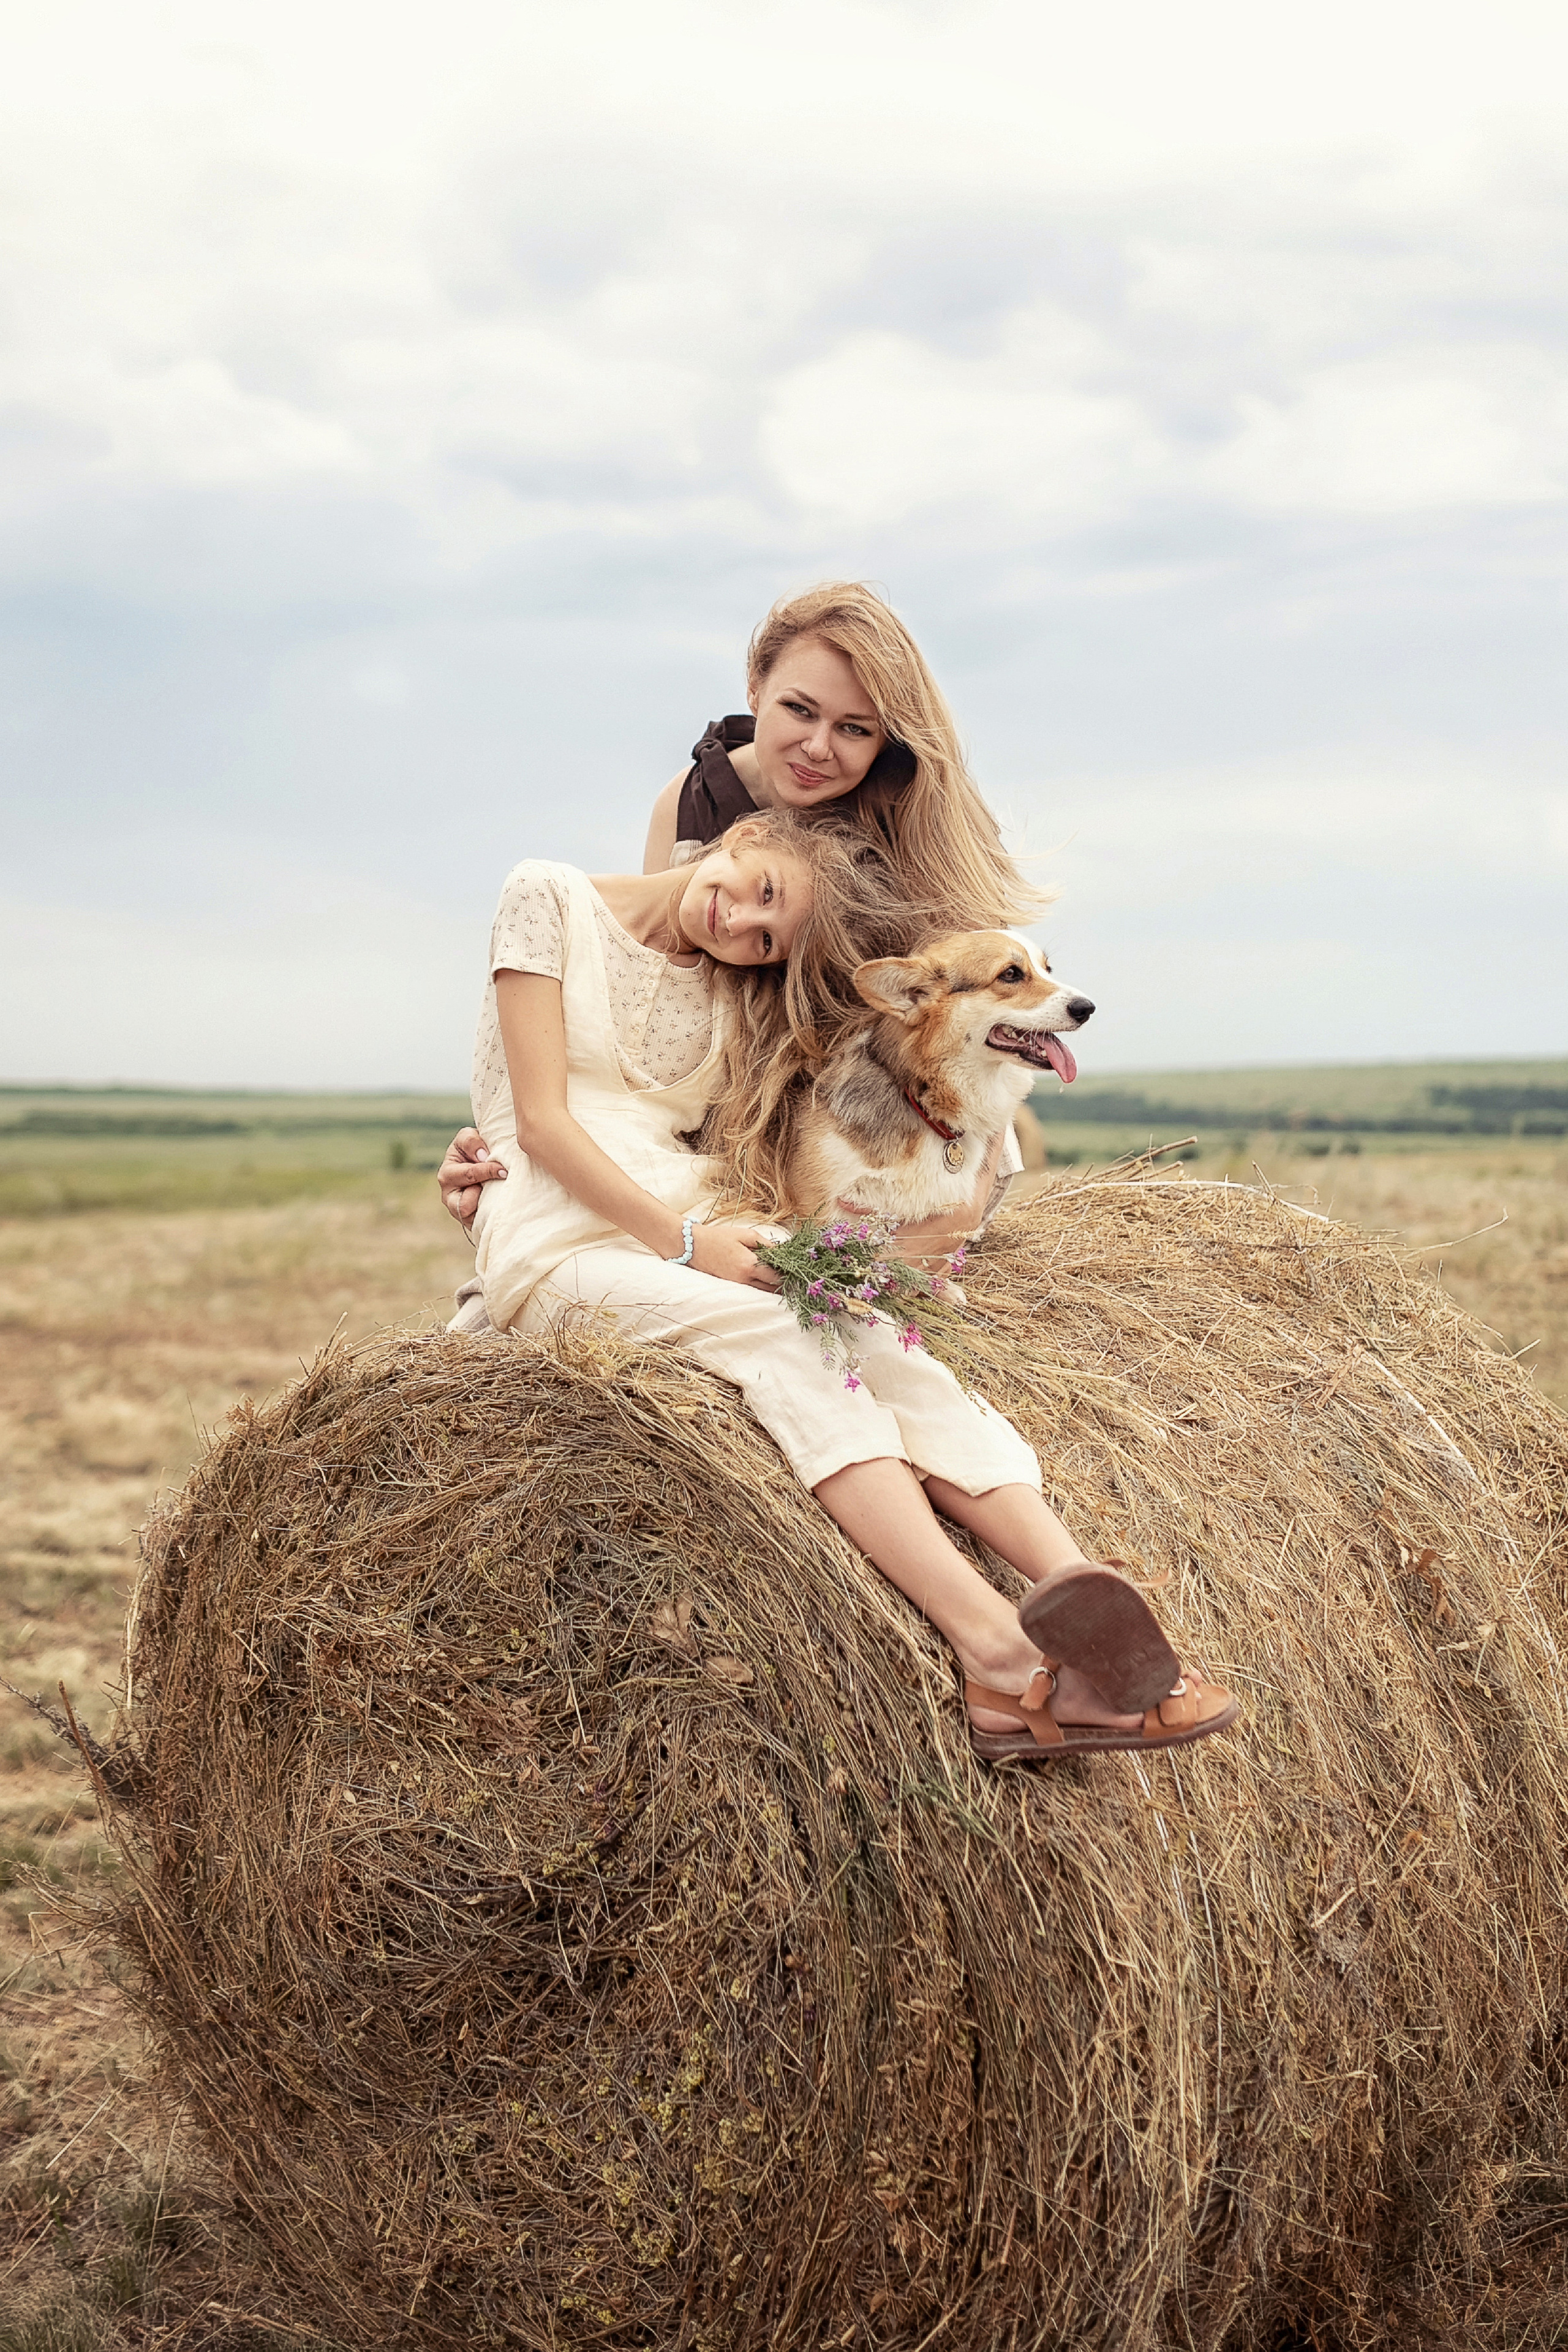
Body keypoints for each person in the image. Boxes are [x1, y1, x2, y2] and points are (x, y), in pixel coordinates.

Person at [460, 805, 1236, 1763]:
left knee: (879, 1341)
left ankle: (1093, 1604)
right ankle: (999, 1658)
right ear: (743, 838)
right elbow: (539, 1123)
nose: (741, 925)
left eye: (767, 938)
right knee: (790, 1343)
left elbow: (910, 1068)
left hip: (700, 1211)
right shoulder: (547, 895)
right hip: (565, 1235)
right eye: (761, 893)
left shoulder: (730, 985)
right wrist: (685, 1244)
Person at [439, 579, 1042, 1234]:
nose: (818, 747)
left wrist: (957, 1214)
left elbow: (979, 1031)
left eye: (854, 729)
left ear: (885, 739)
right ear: (755, 689)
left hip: (898, 1143)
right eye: (799, 709)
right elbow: (657, 1026)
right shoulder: (689, 803)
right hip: (737, 1136)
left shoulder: (915, 827)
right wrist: (512, 1144)